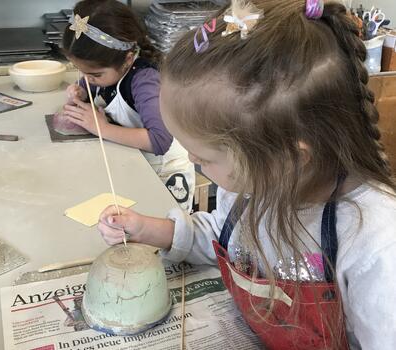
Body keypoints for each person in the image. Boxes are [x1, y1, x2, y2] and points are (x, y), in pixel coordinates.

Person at [97, 0, 396, 348]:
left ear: (290, 158)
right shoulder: (255, 181)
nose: (192, 160)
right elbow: (227, 238)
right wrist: (152, 230)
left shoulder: (375, 243)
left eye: (206, 157)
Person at [61, 0, 195, 211]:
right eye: (81, 72)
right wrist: (82, 91)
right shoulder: (109, 70)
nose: (86, 78)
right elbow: (100, 86)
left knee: (159, 236)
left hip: (163, 172)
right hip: (134, 162)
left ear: (127, 59)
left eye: (94, 75)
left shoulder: (145, 81)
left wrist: (101, 128)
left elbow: (159, 141)